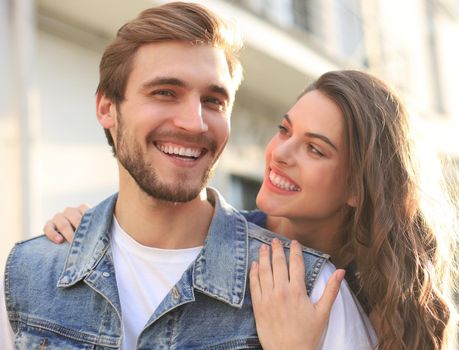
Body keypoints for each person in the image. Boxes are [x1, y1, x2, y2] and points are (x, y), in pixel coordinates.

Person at [0, 2, 364, 350]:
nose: (194, 122)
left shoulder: (309, 291)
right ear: (107, 109)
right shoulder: (28, 276)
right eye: (165, 92)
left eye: (213, 101)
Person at [38, 70, 459, 349]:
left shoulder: (387, 296)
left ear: (358, 188)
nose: (281, 153)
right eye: (284, 130)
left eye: (315, 149)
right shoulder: (223, 250)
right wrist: (98, 232)